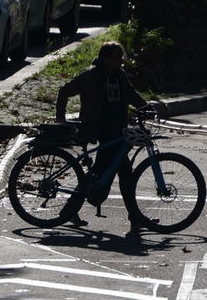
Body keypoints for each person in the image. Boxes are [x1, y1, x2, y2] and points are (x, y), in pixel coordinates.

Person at [55, 41, 162, 214]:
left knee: (116, 173)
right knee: (115, 174)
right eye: (117, 58)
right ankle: (134, 218)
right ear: (105, 59)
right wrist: (60, 118)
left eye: (121, 59)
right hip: (99, 130)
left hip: (117, 131)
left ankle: (71, 212)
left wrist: (147, 109)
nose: (120, 62)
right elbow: (64, 91)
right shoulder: (90, 76)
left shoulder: (120, 76)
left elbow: (131, 94)